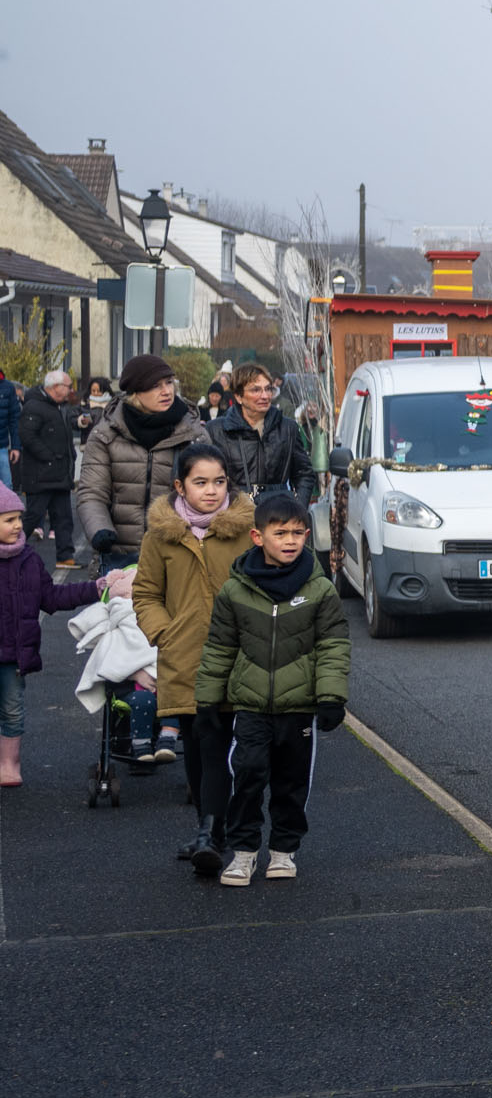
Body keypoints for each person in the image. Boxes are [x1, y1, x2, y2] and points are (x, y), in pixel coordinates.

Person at [193, 493, 350, 887]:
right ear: (257, 537)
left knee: (291, 782)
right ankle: (243, 853)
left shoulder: (320, 590)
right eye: (280, 533)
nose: (290, 540)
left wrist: (331, 697)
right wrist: (208, 699)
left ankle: (283, 850)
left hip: (298, 708)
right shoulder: (235, 591)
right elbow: (220, 647)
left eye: (297, 533)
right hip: (250, 706)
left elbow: (333, 645)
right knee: (247, 775)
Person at [132, 445, 254, 870]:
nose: (211, 491)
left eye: (219, 481)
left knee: (222, 744)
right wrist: (165, 633)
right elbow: (146, 592)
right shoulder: (160, 536)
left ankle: (212, 831)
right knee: (197, 744)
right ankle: (209, 828)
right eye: (200, 482)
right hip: (183, 656)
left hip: (237, 655)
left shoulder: (247, 531)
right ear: (180, 486)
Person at [0, 483, 130, 787]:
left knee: (12, 710)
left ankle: (9, 764)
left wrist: (97, 588)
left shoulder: (29, 560)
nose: (18, 525)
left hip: (14, 655)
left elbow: (52, 596)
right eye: (8, 520)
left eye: (18, 518)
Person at [77, 354, 209, 572]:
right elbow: (92, 493)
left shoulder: (194, 435)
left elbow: (212, 492)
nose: (166, 391)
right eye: (155, 386)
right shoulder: (106, 435)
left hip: (178, 554)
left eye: (169, 383)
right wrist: (100, 531)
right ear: (135, 392)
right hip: (120, 556)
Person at [204, 363, 317, 502]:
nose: (265, 396)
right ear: (238, 396)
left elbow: (304, 474)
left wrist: (298, 508)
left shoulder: (288, 428)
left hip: (278, 510)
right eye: (255, 390)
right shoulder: (215, 430)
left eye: (268, 389)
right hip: (234, 510)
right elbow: (204, 477)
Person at [18, 369, 80, 566]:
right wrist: (49, 458)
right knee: (32, 517)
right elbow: (27, 436)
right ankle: (8, 550)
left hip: (59, 474)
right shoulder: (34, 406)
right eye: (68, 386)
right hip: (41, 475)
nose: (71, 390)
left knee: (64, 518)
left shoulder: (60, 407)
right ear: (55, 387)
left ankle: (65, 557)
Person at [0, 363, 18, 492]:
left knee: (7, 488)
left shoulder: (8, 387)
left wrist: (16, 447)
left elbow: (14, 419)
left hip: (1, 447)